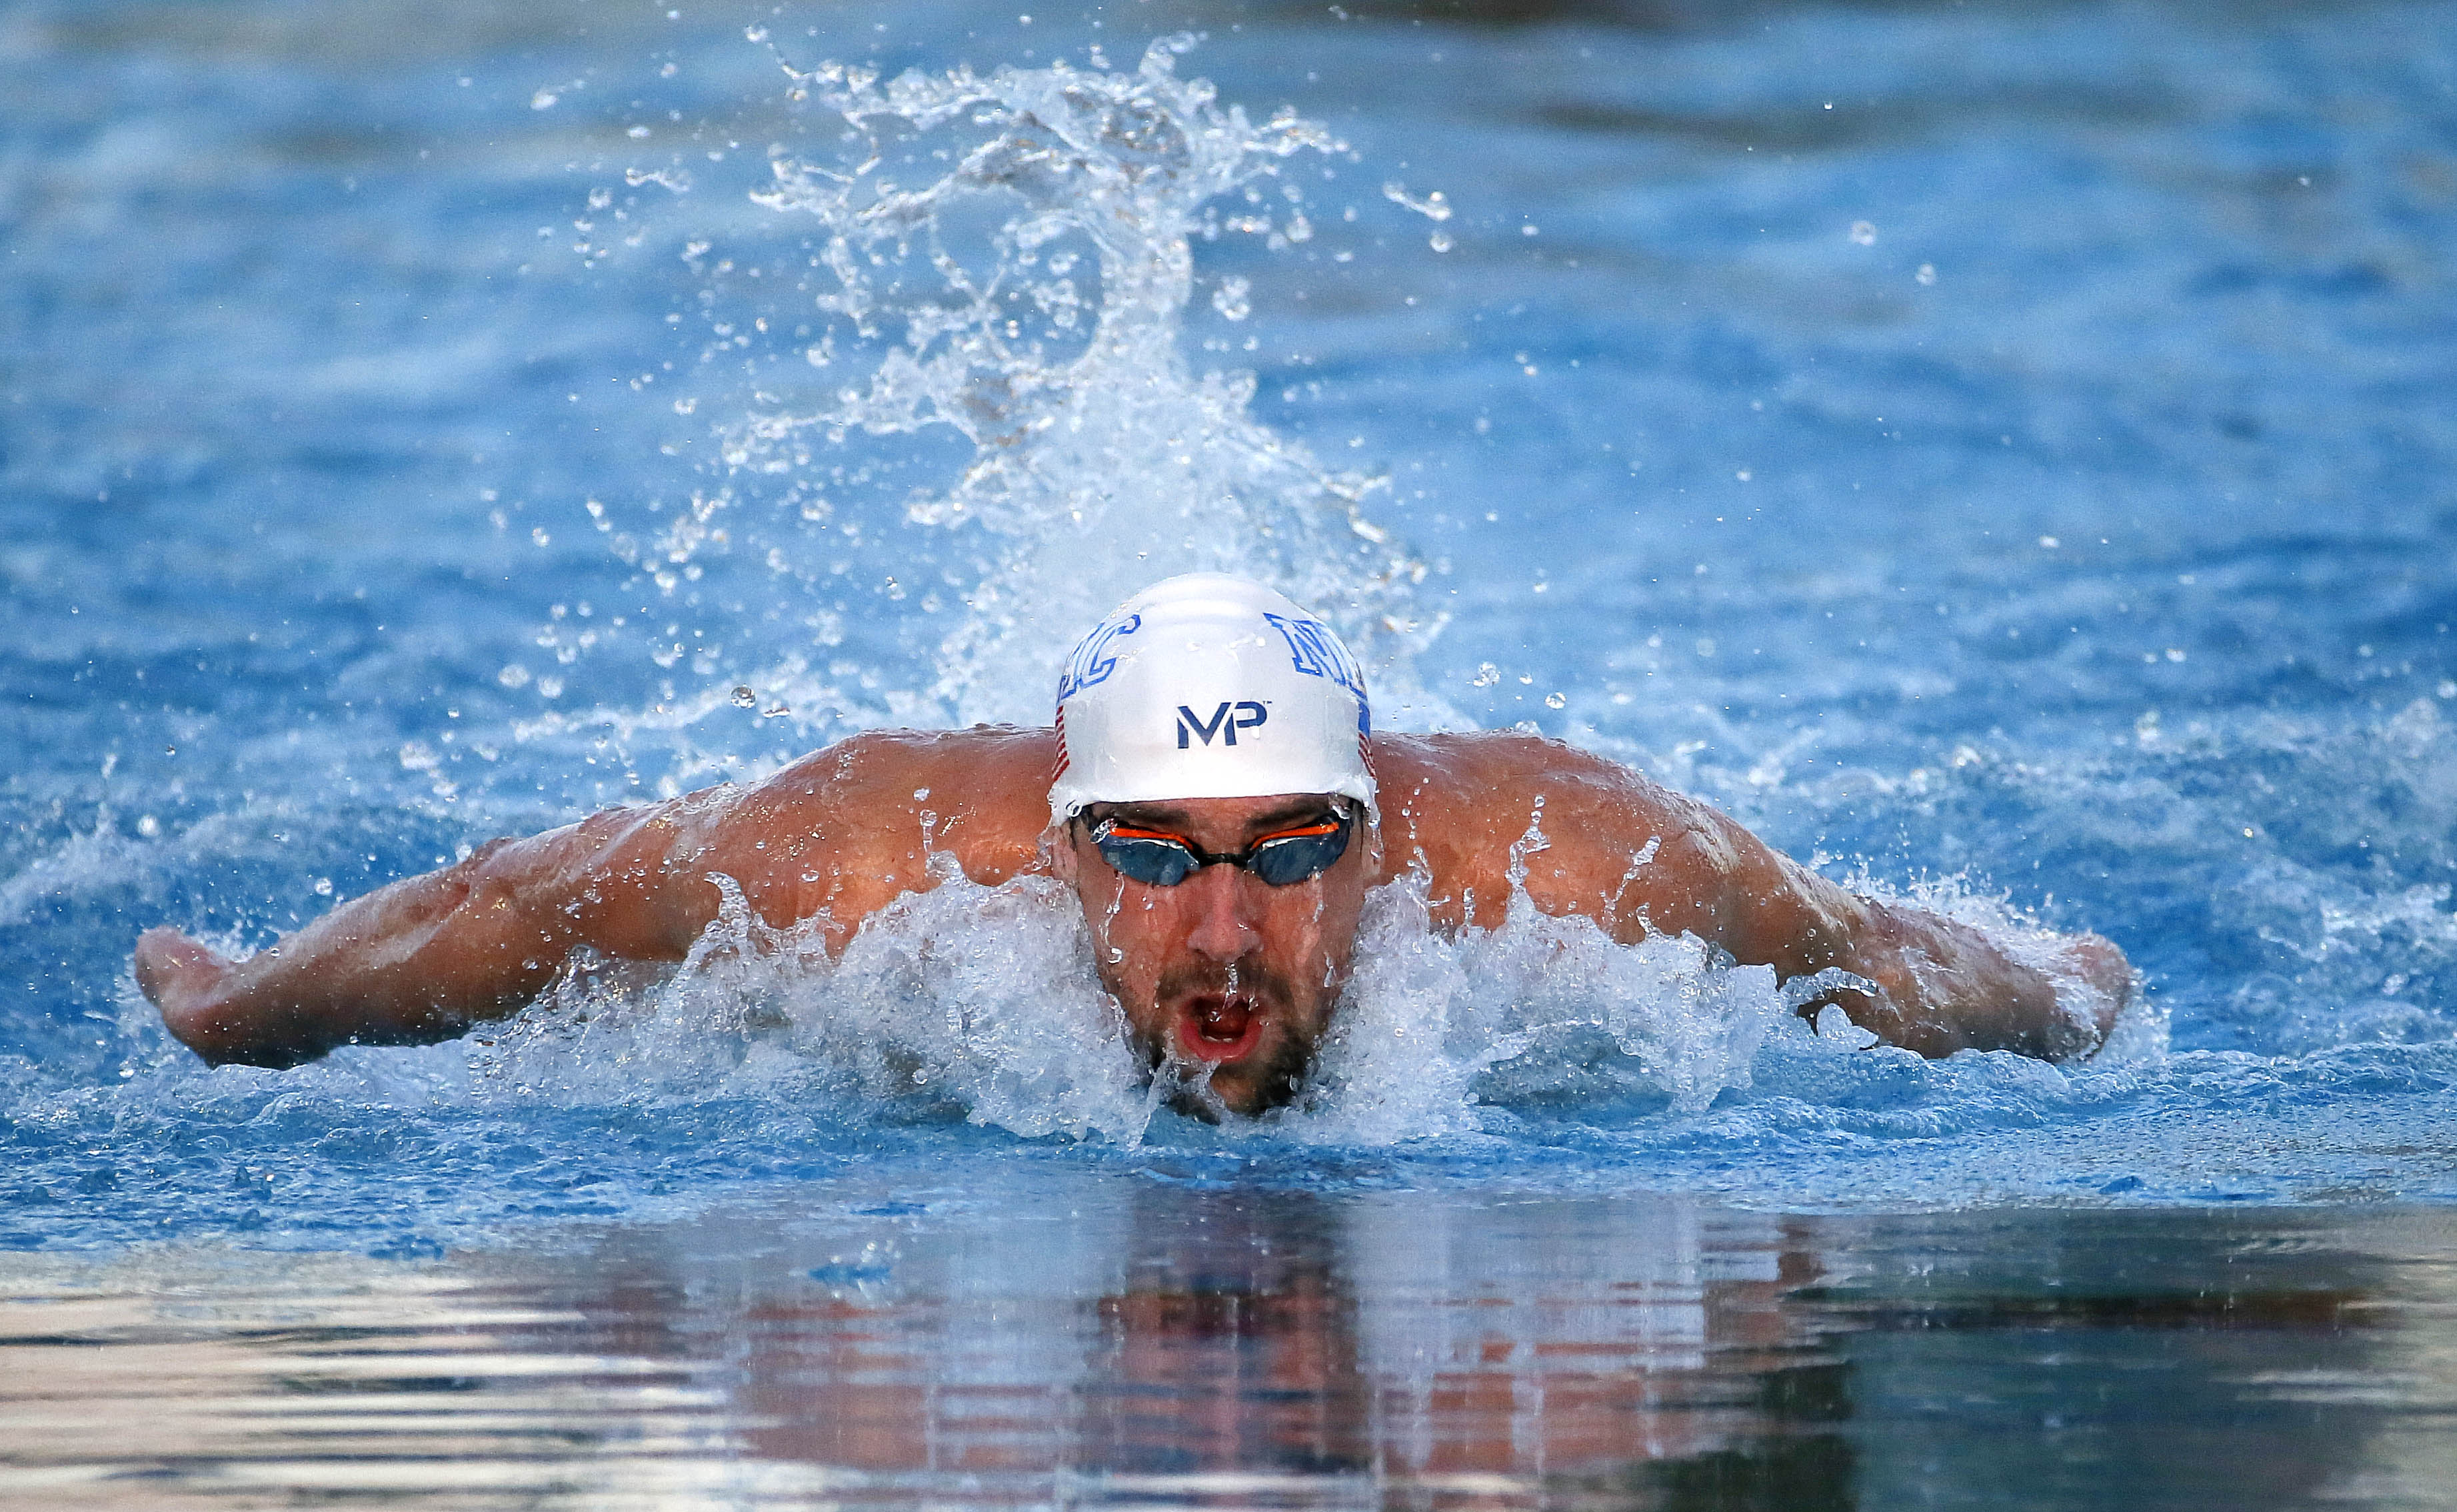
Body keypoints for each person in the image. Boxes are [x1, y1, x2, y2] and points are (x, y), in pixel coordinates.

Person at [136, 574, 2132, 1115]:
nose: (1230, 928)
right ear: (1068, 847)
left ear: (1378, 840)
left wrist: (2064, 996)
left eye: (1290, 849)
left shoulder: (1577, 872)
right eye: (1161, 857)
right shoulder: (866, 867)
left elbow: (1869, 953)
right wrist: (242, 1020)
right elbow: (501, 912)